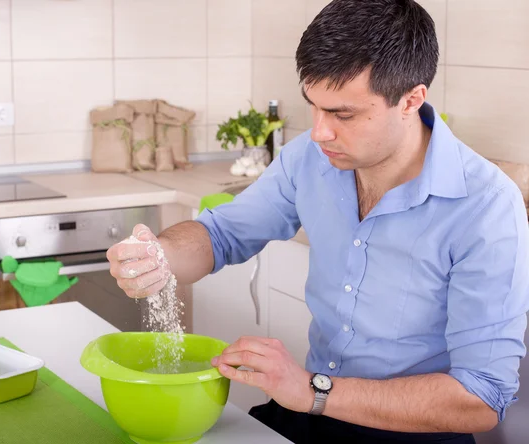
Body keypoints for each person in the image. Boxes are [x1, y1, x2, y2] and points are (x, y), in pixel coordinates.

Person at [106, 0, 529, 442]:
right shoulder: (310, 157)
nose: (321, 131)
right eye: (314, 106)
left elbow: (482, 398)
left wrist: (311, 390)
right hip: (311, 410)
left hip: (411, 429)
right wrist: (161, 255)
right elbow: (220, 234)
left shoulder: (486, 207)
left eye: (344, 114)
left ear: (411, 100)